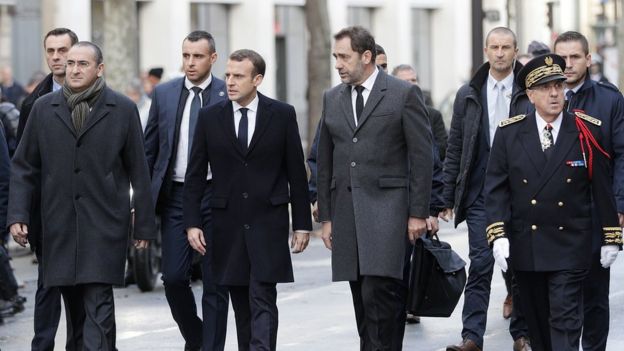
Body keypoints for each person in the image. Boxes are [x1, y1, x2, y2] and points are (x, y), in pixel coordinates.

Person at [8, 41, 156, 350]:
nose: (74, 69)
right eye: (71, 63)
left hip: (104, 225)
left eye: (82, 64)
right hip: (58, 226)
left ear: (99, 69)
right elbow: (24, 167)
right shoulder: (43, 108)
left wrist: (143, 226)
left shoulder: (122, 109)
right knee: (75, 310)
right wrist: (18, 216)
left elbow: (139, 172)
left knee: (98, 302)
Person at [485, 53, 621, 351]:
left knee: (565, 320)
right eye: (546, 88)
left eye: (558, 86)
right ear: (530, 95)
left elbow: (601, 187)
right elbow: (496, 189)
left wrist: (611, 236)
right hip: (527, 247)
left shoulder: (586, 129)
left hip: (571, 246)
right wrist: (497, 235)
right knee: (537, 325)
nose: (555, 93)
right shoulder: (509, 133)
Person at [184, 49, 312, 351]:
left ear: (257, 79)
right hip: (226, 223)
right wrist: (192, 223)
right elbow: (195, 174)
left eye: (238, 76)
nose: (229, 81)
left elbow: (296, 171)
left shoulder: (281, 114)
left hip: (269, 221)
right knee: (241, 303)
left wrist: (303, 224)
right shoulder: (210, 117)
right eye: (228, 75)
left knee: (263, 297)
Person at [317, 26, 433, 350]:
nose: (337, 64)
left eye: (344, 57)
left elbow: (423, 157)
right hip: (347, 216)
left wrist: (418, 213)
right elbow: (325, 160)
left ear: (366, 57)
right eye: (335, 57)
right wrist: (326, 218)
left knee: (379, 296)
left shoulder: (402, 93)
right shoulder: (332, 98)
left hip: (389, 214)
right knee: (362, 303)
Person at [441, 27, 533, 351]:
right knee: (481, 264)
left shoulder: (528, 90)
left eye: (506, 47)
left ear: (515, 50)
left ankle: (522, 335)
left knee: (520, 266)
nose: (499, 53)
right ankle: (471, 338)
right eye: (494, 47)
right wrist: (446, 196)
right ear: (486, 49)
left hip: (522, 192)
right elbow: (456, 147)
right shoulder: (469, 93)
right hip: (482, 191)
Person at [143, 30, 229, 351]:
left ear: (213, 59)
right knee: (174, 278)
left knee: (216, 282)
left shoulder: (228, 92)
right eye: (186, 56)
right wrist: (144, 198)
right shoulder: (164, 94)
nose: (190, 63)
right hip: (176, 197)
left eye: (197, 56)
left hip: (216, 197)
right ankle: (197, 338)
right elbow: (149, 150)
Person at [554, 30, 624, 351]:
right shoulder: (538, 96)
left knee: (595, 295)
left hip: (597, 210)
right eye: (562, 58)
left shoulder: (609, 99)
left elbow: (622, 155)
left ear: (588, 59)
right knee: (558, 295)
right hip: (552, 212)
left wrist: (619, 207)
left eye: (574, 57)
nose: (567, 65)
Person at [15, 27, 79, 351]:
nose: (56, 57)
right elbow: (24, 165)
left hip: (86, 213)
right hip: (48, 214)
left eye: (63, 50)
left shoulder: (101, 98)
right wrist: (19, 214)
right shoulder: (33, 104)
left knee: (82, 291)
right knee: (48, 285)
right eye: (50, 51)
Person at [392, 63, 448, 160]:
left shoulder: (433, 115)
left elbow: (442, 150)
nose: (411, 84)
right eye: (405, 81)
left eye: (413, 80)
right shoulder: (388, 115)